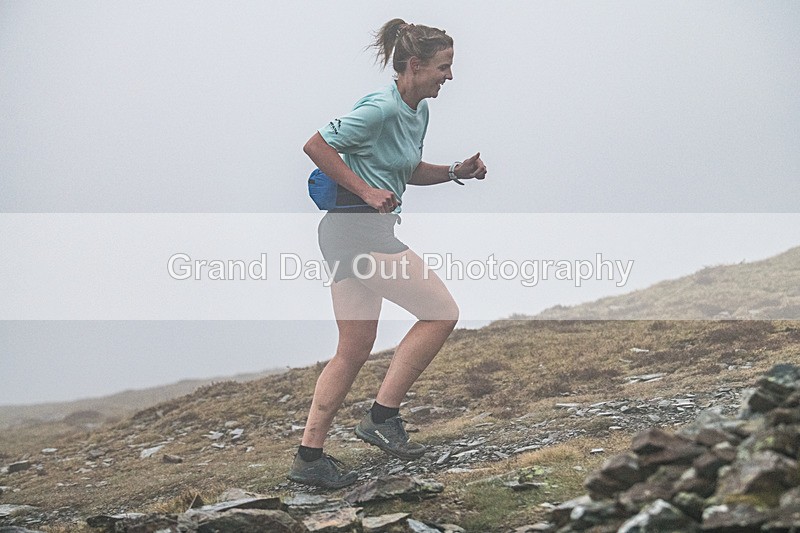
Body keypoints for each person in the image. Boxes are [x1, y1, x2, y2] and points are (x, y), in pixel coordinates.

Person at [288, 18, 487, 489]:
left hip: (349, 232)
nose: (450, 77)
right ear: (414, 65)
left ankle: (308, 458)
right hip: (357, 231)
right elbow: (316, 145)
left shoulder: (417, 112)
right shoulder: (378, 108)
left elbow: (406, 168)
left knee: (352, 350)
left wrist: (456, 171)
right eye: (444, 67)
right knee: (441, 312)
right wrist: (367, 191)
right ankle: (381, 417)